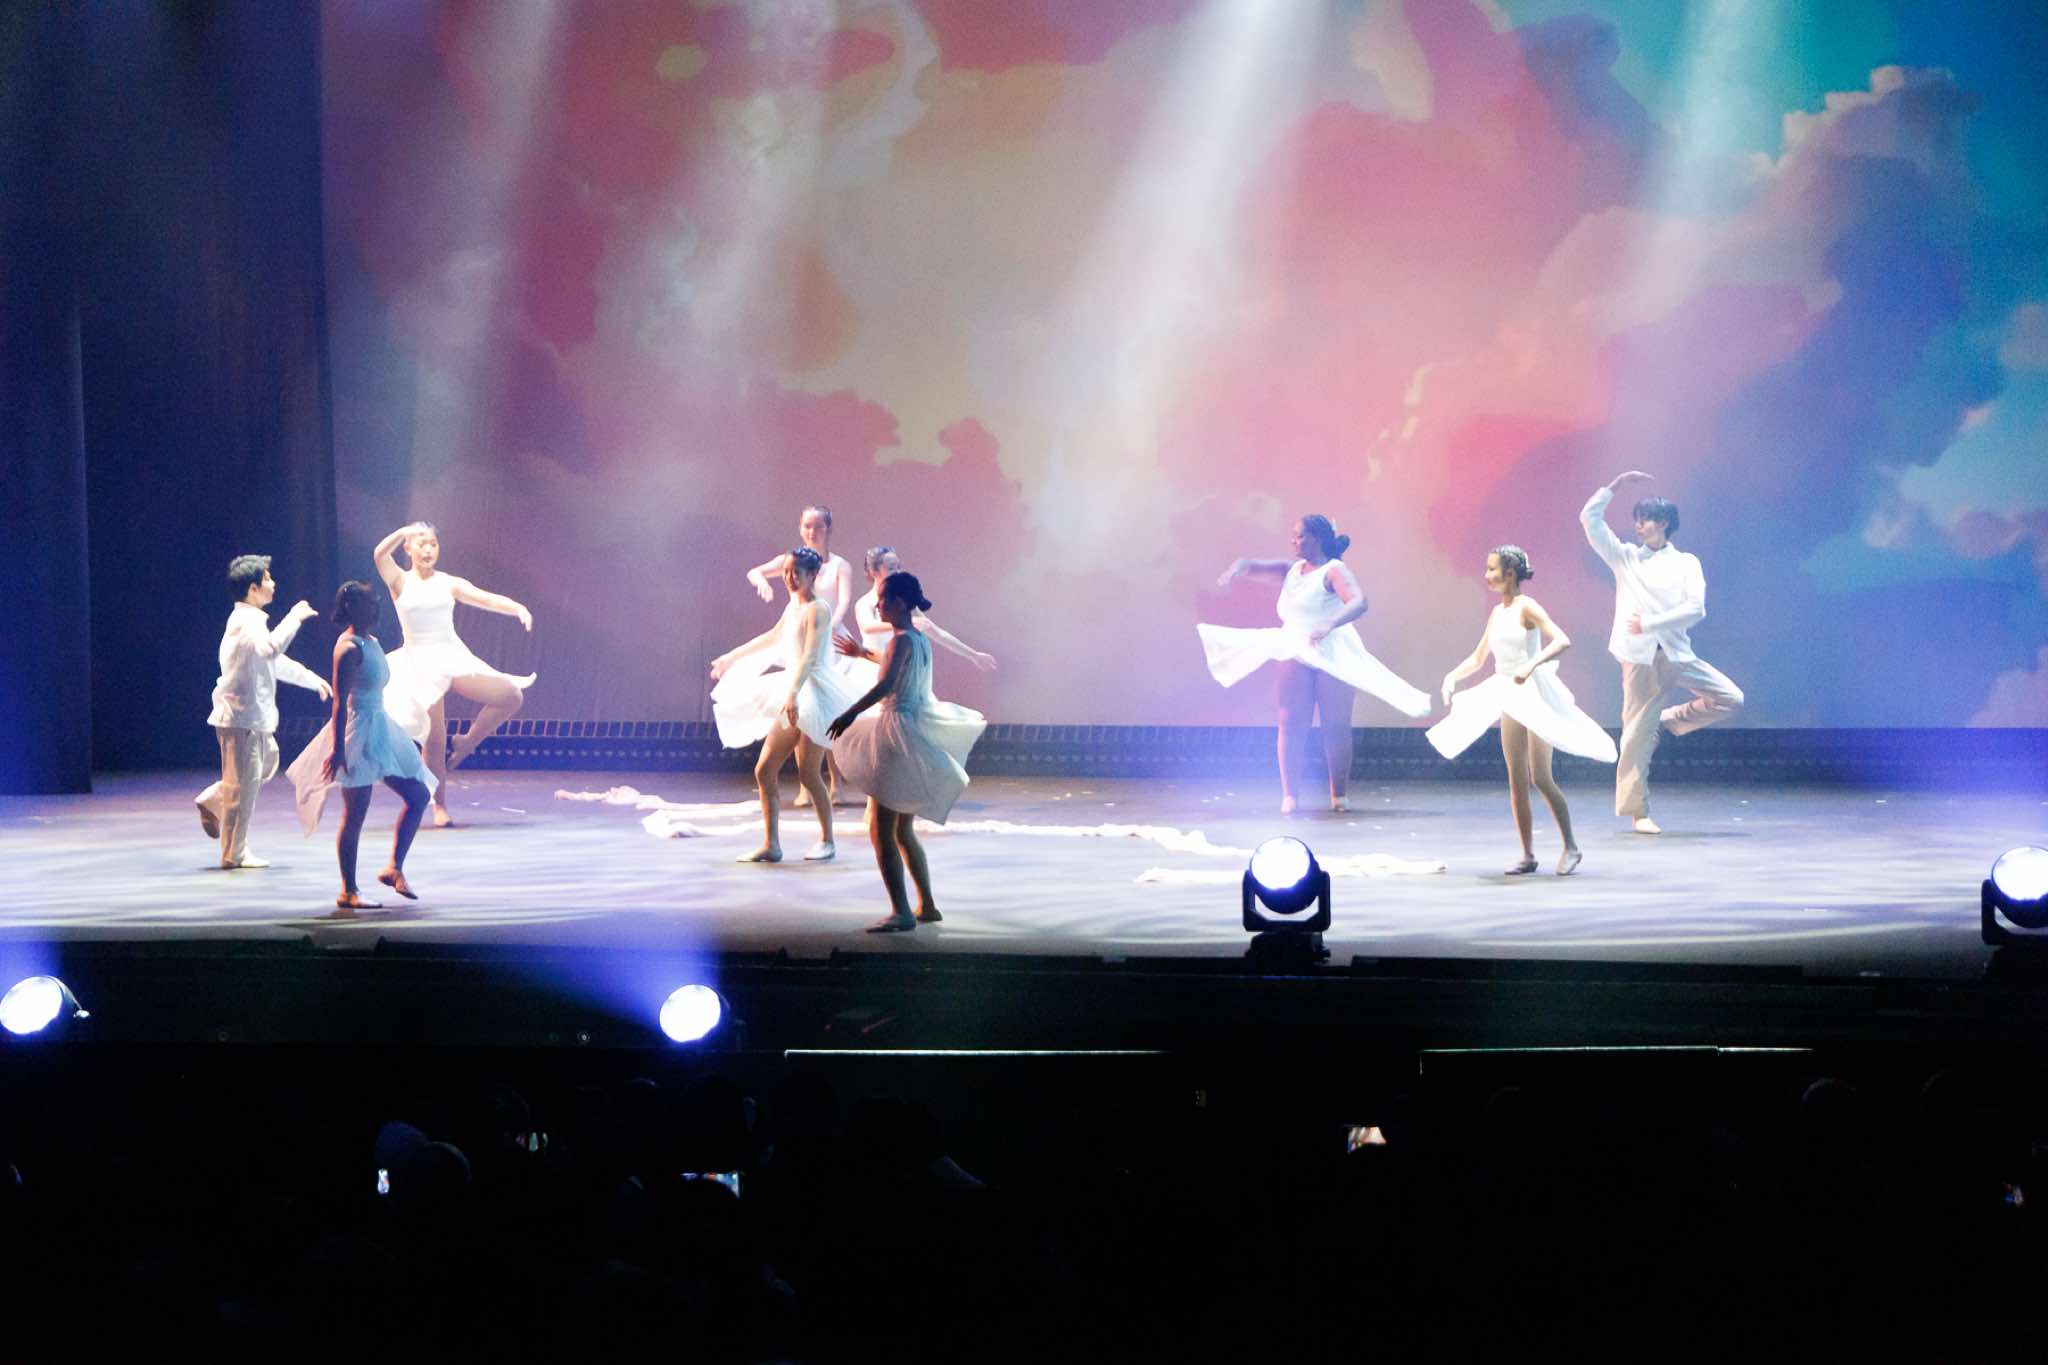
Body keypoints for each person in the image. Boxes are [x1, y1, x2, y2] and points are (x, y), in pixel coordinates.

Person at [1201, 515, 1431, 813]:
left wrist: (1329, 624)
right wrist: (1237, 567)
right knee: (1290, 721)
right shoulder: (1291, 569)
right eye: (1293, 535)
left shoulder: (1334, 570)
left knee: (1335, 725)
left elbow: (1358, 602)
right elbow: (1251, 564)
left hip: (1332, 649)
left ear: (1317, 538)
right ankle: (1290, 795)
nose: (1294, 541)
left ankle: (1339, 795)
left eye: (1299, 536)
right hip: (1296, 645)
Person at [1428, 546, 1615, 875]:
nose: (1487, 575)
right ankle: (1527, 854)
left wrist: (1531, 665)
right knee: (1516, 778)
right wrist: (1451, 676)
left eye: (1492, 569)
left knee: (1540, 777)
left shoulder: (1527, 607)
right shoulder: (1497, 613)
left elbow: (1561, 640)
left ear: (1510, 573)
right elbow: (1478, 658)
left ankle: (1571, 846)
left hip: (1533, 693)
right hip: (1508, 693)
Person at [1580, 472, 1744, 834]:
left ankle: (1665, 721)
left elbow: (1696, 609)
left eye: (1646, 520)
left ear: (1664, 523)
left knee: (1730, 698)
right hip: (1640, 658)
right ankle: (1638, 812)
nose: (1639, 526)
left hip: (1677, 653)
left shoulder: (1686, 562)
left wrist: (1651, 623)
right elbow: (1590, 520)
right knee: (1636, 736)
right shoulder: (1625, 557)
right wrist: (1614, 486)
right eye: (1637, 520)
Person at [828, 571, 986, 932]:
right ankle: (926, 904)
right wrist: (862, 653)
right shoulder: (917, 639)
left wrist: (849, 713)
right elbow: (894, 666)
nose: (878, 605)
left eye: (883, 600)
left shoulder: (901, 641)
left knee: (881, 829)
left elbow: (886, 684)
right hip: (908, 729)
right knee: (902, 830)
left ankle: (901, 911)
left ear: (898, 603)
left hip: (894, 734)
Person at [372, 521, 536, 828]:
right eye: (421, 543)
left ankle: (467, 741)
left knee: (511, 695)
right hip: (419, 660)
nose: (428, 550)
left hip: (450, 654)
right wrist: (404, 531)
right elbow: (380, 554)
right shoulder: (399, 580)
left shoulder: (449, 582)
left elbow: (485, 598)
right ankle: (439, 805)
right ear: (408, 548)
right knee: (434, 736)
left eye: (433, 544)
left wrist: (517, 608)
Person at [284, 581, 433, 913]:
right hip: (359, 731)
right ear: (350, 607)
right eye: (368, 602)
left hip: (380, 726)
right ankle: (348, 890)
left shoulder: (372, 642)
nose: (375, 608)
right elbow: (340, 702)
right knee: (354, 816)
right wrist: (339, 748)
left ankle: (394, 868)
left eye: (375, 602)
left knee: (419, 795)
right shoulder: (348, 648)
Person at [710, 547, 855, 863]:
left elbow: (810, 656)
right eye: (786, 572)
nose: (789, 578)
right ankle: (771, 844)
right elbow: (771, 637)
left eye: (795, 573)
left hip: (814, 693)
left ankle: (827, 840)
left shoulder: (818, 609)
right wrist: (732, 656)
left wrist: (793, 694)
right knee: (764, 770)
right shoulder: (793, 607)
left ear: (812, 575)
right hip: (793, 689)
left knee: (809, 773)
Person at [195, 554, 332, 869]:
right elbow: (271, 649)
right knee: (242, 787)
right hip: (241, 716)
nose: (274, 583)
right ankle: (234, 853)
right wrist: (294, 617)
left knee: (266, 764)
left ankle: (214, 800)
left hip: (252, 717)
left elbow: (273, 661)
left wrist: (311, 679)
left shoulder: (251, 622)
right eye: (268, 578)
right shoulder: (247, 622)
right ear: (253, 589)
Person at [745, 505, 855, 808]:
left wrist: (828, 627)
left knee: (824, 710)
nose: (812, 531)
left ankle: (835, 782)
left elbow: (843, 601)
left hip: (828, 639)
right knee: (801, 714)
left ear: (828, 529)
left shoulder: (839, 565)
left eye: (817, 526)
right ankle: (808, 782)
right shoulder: (792, 560)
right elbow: (755, 571)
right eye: (807, 526)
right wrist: (761, 581)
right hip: (800, 636)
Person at [839, 545, 996, 693]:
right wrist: (906, 623)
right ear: (874, 572)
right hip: (872, 670)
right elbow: (868, 626)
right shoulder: (865, 602)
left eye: (899, 567)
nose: (898, 572)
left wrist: (973, 655)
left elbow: (937, 633)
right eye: (892, 568)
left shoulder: (905, 603)